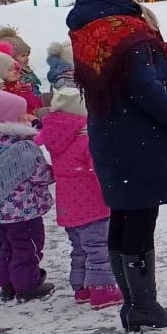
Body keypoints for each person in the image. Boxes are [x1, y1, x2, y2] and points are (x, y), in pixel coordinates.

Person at [68, 0, 167, 330]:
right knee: (140, 221)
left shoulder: (90, 28)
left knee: (124, 216)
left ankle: (134, 306)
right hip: (138, 141)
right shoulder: (127, 34)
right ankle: (143, 307)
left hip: (111, 135)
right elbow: (146, 89)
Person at [34, 87, 122, 309]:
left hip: (68, 205)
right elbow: (100, 170)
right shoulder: (84, 140)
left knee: (80, 247)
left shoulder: (56, 136)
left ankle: (81, 287)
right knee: (98, 247)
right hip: (91, 202)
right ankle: (102, 290)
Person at [0, 84, 55, 303]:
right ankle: (27, 285)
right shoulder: (22, 147)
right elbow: (41, 176)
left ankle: (7, 285)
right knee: (28, 247)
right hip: (24, 211)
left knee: (7, 246)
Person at [0, 26, 40, 98]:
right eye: (23, 56)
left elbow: (36, 91)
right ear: (11, 57)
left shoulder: (27, 71)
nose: (27, 58)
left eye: (27, 55)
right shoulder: (6, 77)